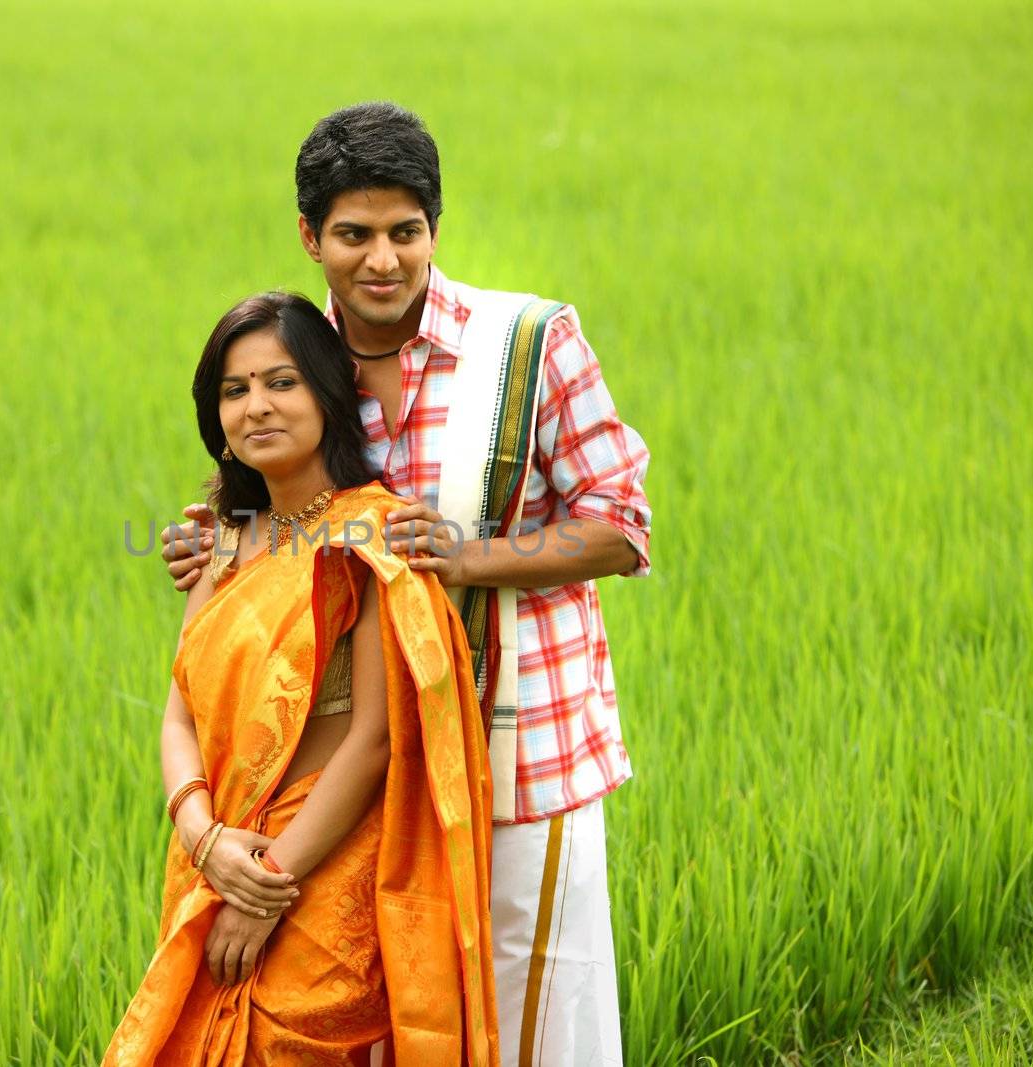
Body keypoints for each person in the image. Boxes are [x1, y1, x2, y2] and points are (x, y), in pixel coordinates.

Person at [161, 103, 652, 1066]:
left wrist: (468, 558)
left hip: (523, 755)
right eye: (353, 235)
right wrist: (209, 539)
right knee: (396, 1027)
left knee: (536, 1007)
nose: (381, 259)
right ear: (311, 237)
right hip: (357, 788)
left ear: (435, 227)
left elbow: (621, 527)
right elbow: (262, 515)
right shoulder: (303, 362)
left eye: (404, 233)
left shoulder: (528, 345)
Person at [104, 292, 498, 1065]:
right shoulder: (220, 543)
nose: (257, 406)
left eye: (281, 382)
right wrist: (204, 837)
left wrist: (270, 884)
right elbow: (179, 713)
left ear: (327, 391)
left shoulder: (372, 534)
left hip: (318, 867)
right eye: (234, 389)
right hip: (216, 858)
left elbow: (377, 738)